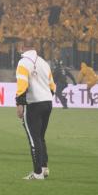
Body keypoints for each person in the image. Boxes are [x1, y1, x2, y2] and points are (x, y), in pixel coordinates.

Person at [16, 46, 56, 180]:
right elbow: (52, 86)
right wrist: (46, 97)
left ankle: (37, 173)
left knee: (34, 139)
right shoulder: (44, 62)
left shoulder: (23, 63)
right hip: (47, 103)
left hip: (34, 104)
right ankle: (44, 168)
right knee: (41, 137)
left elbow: (22, 84)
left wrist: (20, 103)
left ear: (23, 48)